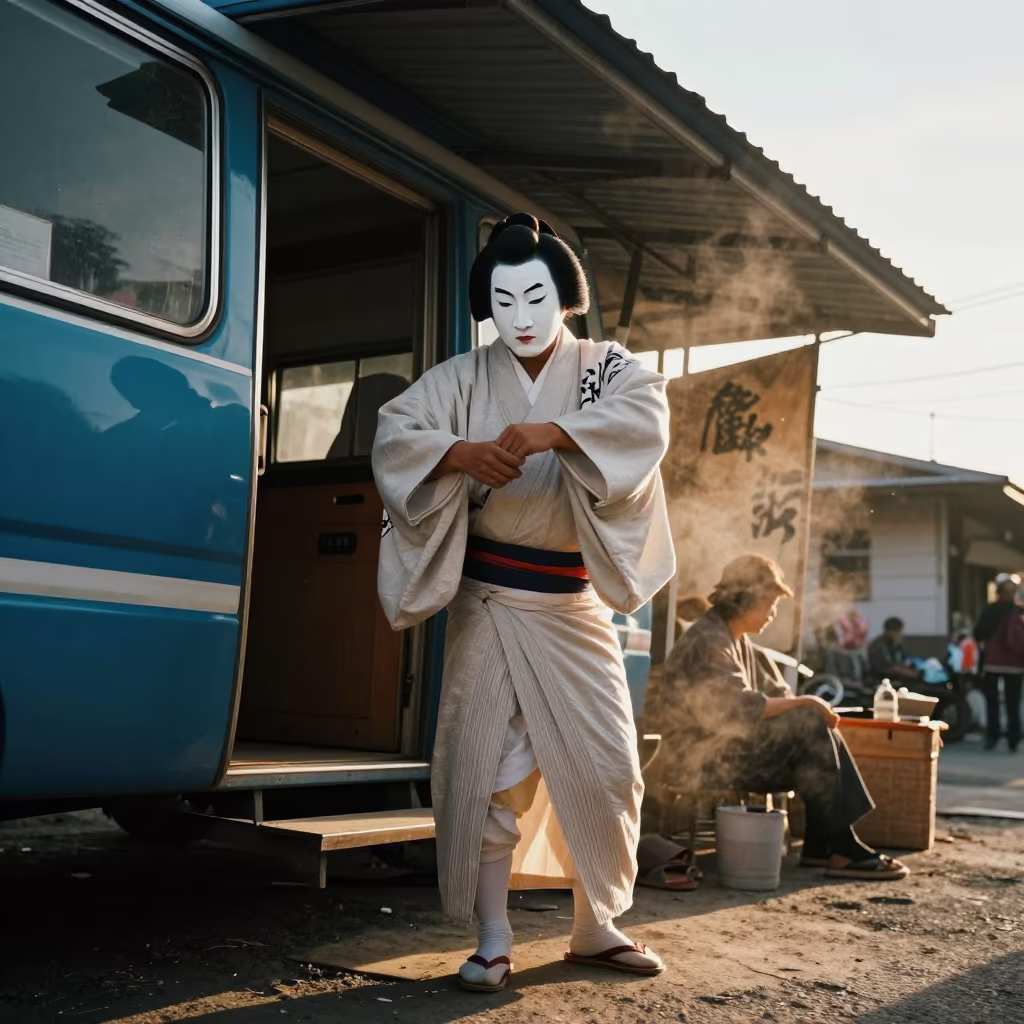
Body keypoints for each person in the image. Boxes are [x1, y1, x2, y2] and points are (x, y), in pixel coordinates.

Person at [372, 213, 675, 991]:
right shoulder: (463, 378)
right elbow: (395, 431)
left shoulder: (606, 367)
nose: (522, 316)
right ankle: (493, 934)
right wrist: (456, 452)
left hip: (575, 609)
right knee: (491, 772)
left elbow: (646, 417)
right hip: (494, 603)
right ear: (488, 307)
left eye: (535, 296)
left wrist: (557, 432)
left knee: (608, 769)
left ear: (564, 298)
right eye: (503, 301)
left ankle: (594, 925)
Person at [662, 554, 909, 882]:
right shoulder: (708, 639)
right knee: (808, 723)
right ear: (744, 598)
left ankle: (824, 845)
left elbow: (778, 696)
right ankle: (839, 846)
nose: (773, 613)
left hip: (729, 749)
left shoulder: (742, 643)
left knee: (816, 727)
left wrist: (807, 706)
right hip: (699, 756)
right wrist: (807, 703)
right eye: (769, 603)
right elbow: (738, 707)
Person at [973, 572, 1024, 752]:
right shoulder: (1020, 611)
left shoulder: (991, 610)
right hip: (1016, 664)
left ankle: (992, 736)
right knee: (1013, 702)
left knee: (992, 702)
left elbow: (978, 633)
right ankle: (1013, 739)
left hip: (992, 663)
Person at [866, 617, 920, 684]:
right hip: (881, 678)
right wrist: (901, 671)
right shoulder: (877, 646)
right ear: (888, 631)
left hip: (899, 676)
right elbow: (881, 668)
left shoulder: (899, 643)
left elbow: (905, 658)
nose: (899, 634)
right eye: (896, 632)